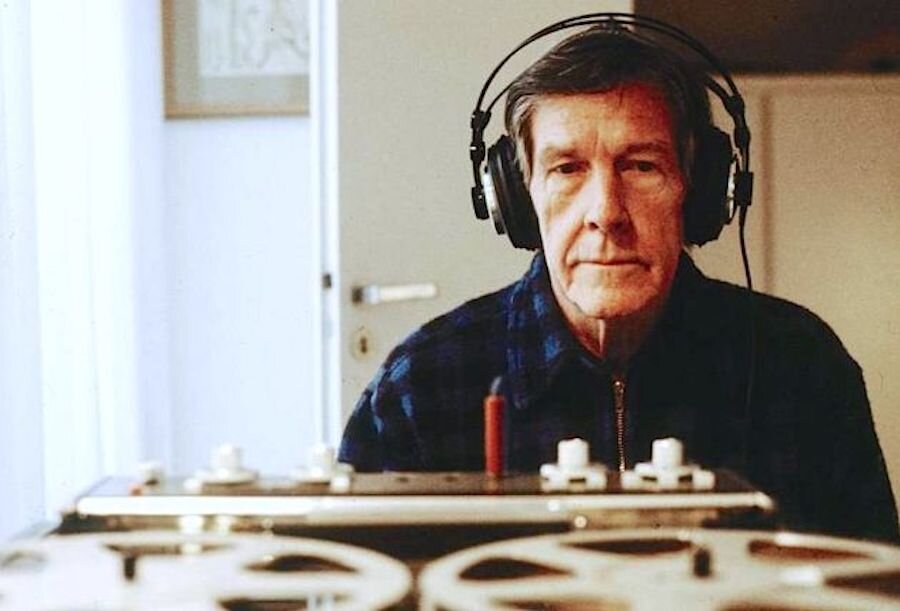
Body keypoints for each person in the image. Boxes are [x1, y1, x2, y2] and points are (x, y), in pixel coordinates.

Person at [337, 22, 899, 543]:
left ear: (699, 188)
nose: (606, 212)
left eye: (641, 166)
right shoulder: (420, 384)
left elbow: (873, 587)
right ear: (518, 197)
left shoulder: (802, 366)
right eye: (567, 168)